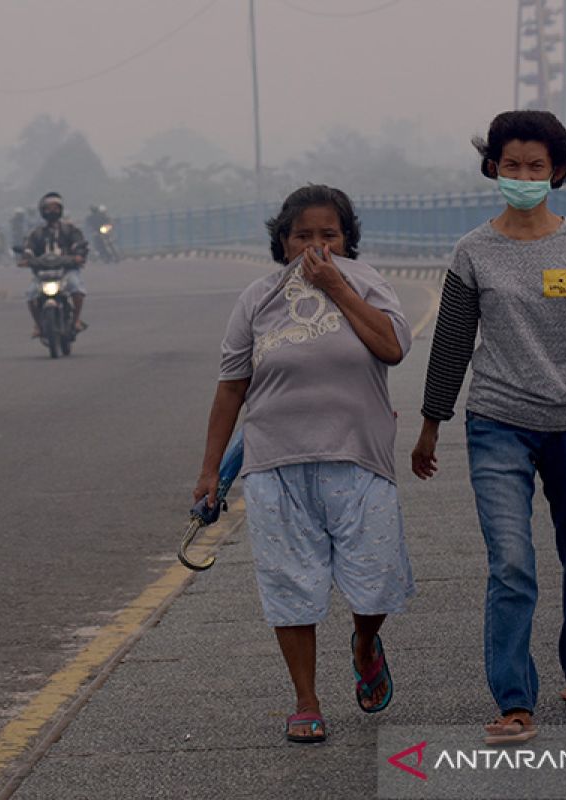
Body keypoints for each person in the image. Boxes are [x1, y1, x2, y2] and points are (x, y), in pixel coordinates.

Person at [411, 110, 566, 746]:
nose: (522, 175)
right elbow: (453, 343)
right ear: (493, 167)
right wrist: (431, 424)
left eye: (536, 166)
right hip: (497, 424)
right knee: (512, 562)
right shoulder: (472, 252)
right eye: (511, 165)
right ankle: (515, 701)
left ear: (558, 173)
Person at [194, 184, 415, 745]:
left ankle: (365, 644)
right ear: (283, 242)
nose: (315, 245)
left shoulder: (367, 283)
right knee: (290, 583)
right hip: (275, 462)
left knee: (376, 581)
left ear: (347, 240)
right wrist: (209, 471)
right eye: (302, 236)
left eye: (329, 235)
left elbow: (391, 347)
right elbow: (231, 389)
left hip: (359, 456)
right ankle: (306, 700)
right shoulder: (257, 298)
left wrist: (337, 286)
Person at [18, 192, 88, 336]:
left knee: (77, 288)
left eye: (55, 208)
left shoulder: (70, 230)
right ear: (42, 211)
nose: (52, 211)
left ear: (61, 210)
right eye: (48, 208)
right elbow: (29, 249)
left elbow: (79, 244)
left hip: (66, 270)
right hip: (43, 274)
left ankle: (76, 321)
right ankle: (38, 325)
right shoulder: (36, 233)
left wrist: (78, 256)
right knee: (31, 295)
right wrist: (26, 259)